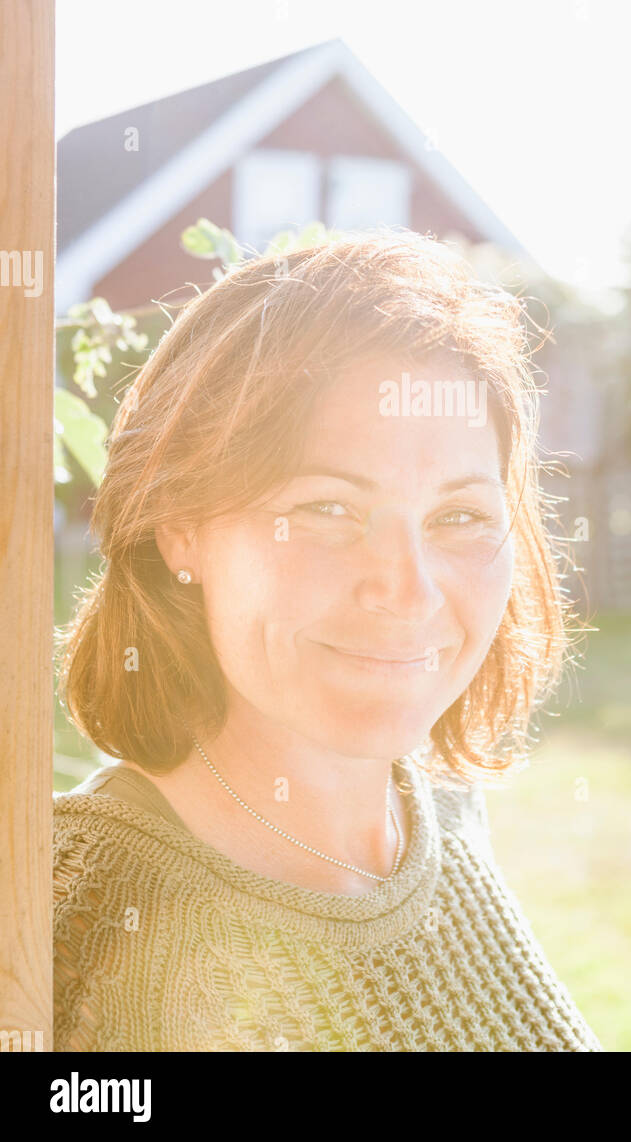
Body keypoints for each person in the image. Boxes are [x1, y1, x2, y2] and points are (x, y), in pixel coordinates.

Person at [53, 229, 602, 1052]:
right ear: (179, 527)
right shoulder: (69, 913)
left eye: (459, 517)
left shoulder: (445, 811)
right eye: (326, 509)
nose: (407, 588)